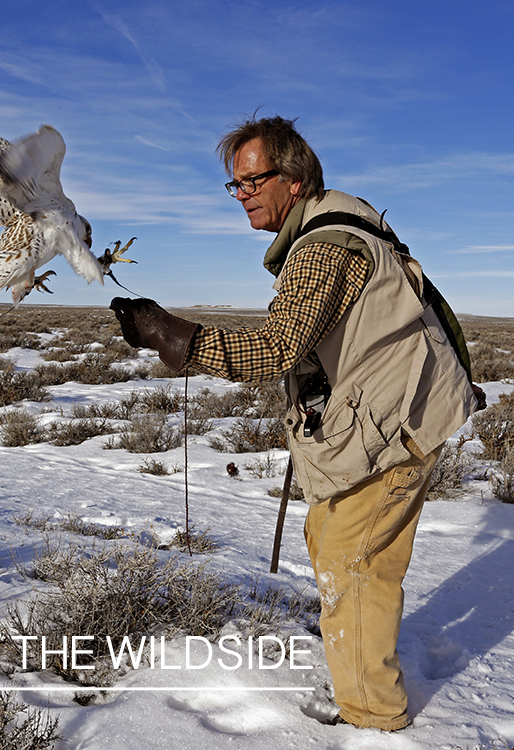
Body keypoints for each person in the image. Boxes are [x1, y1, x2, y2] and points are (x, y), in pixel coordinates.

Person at [110, 116, 477, 731]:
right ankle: (358, 661)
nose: (244, 194)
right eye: (236, 185)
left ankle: (372, 719)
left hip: (395, 428)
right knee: (337, 545)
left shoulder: (322, 249)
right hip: (396, 416)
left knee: (353, 565)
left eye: (254, 179)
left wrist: (174, 337)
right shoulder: (335, 228)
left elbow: (275, 348)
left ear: (296, 178)